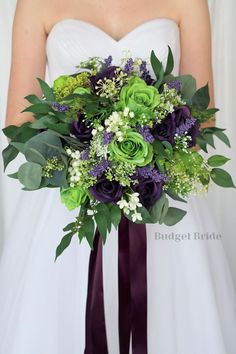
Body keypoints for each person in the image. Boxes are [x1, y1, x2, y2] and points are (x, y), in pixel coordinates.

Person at [1, 0, 236, 353]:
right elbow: (18, 125)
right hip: (67, 202)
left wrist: (146, 151)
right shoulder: (35, 3)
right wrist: (90, 154)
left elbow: (202, 120)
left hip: (158, 196)